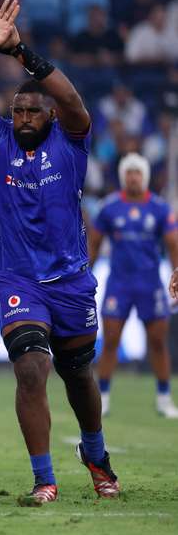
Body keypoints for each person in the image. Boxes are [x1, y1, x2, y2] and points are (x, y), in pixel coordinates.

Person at [0, 0, 136, 503]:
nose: (25, 115)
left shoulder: (72, 141)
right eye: (18, 109)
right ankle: (44, 478)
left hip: (72, 280)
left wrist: (21, 50)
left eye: (34, 109)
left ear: (50, 116)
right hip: (17, 280)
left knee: (79, 376)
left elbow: (74, 98)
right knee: (31, 369)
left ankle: (95, 454)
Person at [88, 153, 178, 418]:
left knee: (158, 342)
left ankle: (164, 397)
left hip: (150, 284)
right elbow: (94, 243)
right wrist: (86, 276)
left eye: (138, 172)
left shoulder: (160, 208)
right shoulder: (109, 207)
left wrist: (176, 271)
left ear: (145, 176)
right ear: (122, 176)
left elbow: (173, 243)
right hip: (119, 284)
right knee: (111, 341)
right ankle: (102, 397)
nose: (133, 177)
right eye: (129, 172)